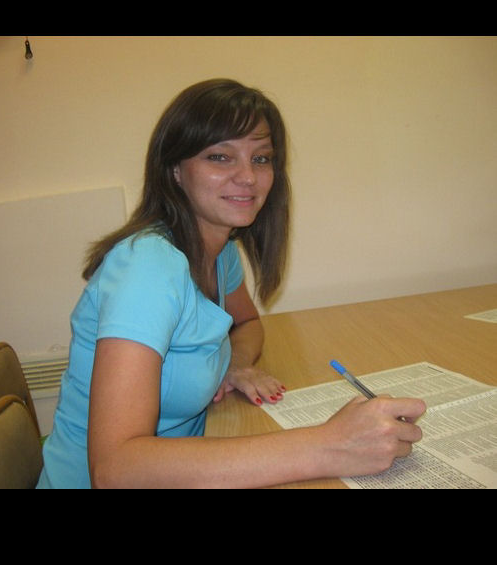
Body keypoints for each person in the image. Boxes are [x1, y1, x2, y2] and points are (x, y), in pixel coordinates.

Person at [37, 78, 426, 489]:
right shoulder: (147, 268)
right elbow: (115, 469)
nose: (248, 177)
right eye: (220, 157)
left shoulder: (221, 252)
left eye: (261, 159)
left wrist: (234, 363)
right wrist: (331, 445)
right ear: (175, 170)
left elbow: (248, 323)